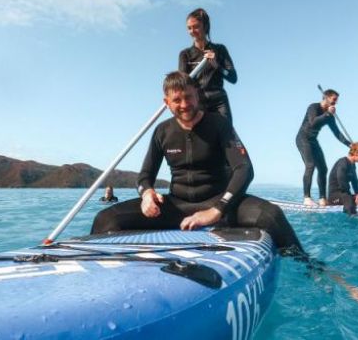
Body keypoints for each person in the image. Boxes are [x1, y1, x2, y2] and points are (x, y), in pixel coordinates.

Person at [91, 71, 302, 251]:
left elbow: (244, 168)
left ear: (197, 96)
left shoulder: (219, 124)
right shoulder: (162, 131)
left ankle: (311, 270)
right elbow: (145, 176)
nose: (184, 105)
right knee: (105, 220)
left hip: (218, 204)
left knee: (271, 215)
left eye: (189, 97)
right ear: (166, 103)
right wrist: (146, 195)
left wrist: (216, 210)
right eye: (177, 100)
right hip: (176, 207)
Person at [178, 8, 237, 125]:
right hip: (198, 102)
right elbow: (183, 85)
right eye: (189, 28)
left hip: (219, 100)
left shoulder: (220, 49)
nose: (192, 31)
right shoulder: (185, 54)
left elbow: (233, 78)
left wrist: (217, 66)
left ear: (205, 27)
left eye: (196, 27)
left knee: (226, 136)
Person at [296, 89, 351, 207]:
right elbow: (313, 122)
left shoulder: (330, 116)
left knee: (323, 168)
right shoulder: (313, 107)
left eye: (336, 100)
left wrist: (348, 144)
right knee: (310, 166)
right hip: (303, 139)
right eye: (334, 99)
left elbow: (337, 133)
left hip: (313, 141)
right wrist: (327, 114)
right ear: (326, 97)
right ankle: (307, 198)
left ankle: (322, 199)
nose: (335, 103)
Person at [327, 142, 358, 215]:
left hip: (346, 194)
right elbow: (341, 181)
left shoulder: (353, 165)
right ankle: (353, 218)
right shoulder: (342, 163)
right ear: (357, 154)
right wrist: (354, 196)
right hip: (335, 197)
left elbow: (355, 181)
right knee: (349, 199)